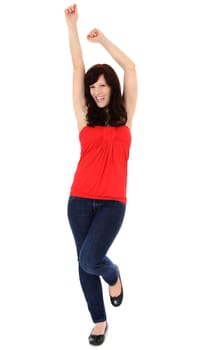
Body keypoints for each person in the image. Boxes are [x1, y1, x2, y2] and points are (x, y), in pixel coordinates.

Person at [64, 3, 137, 346]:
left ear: (113, 88)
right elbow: (78, 66)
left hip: (112, 204)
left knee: (92, 259)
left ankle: (113, 274)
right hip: (78, 200)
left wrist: (103, 39)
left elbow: (131, 67)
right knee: (83, 261)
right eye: (94, 86)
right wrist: (72, 25)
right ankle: (99, 320)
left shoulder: (125, 119)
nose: (98, 90)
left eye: (105, 84)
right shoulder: (84, 118)